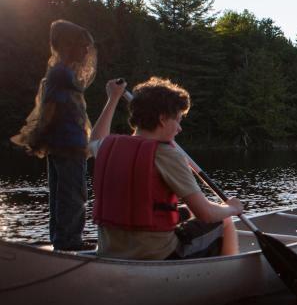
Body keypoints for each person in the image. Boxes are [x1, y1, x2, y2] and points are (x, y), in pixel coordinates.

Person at [87, 77, 242, 260]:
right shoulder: (168, 155)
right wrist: (232, 208)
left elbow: (94, 141)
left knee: (187, 210)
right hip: (156, 254)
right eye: (177, 120)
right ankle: (230, 269)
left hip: (110, 250)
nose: (179, 128)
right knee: (222, 219)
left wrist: (113, 98)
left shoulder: (110, 146)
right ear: (162, 119)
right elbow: (206, 214)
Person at [10, 20, 98, 250]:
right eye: (82, 46)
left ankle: (61, 239)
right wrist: (40, 134)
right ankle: (68, 241)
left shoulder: (61, 72)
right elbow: (50, 108)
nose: (86, 51)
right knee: (73, 194)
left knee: (63, 193)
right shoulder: (62, 73)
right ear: (69, 45)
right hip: (67, 145)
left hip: (64, 144)